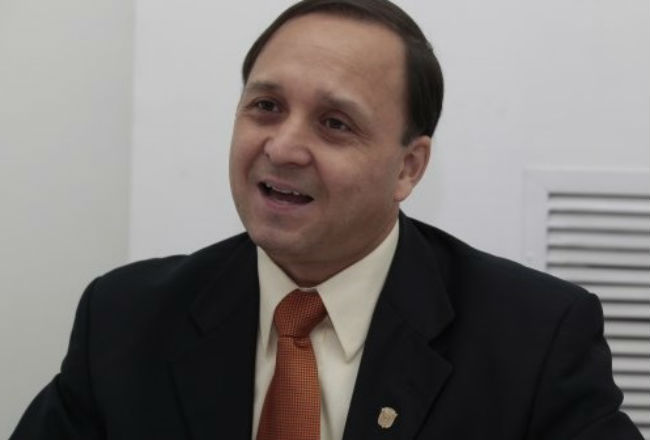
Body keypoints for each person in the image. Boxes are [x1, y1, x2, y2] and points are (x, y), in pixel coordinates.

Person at [11, 0, 643, 439]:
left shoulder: (533, 339)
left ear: (408, 168)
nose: (284, 147)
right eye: (266, 106)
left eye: (335, 123)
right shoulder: (125, 320)